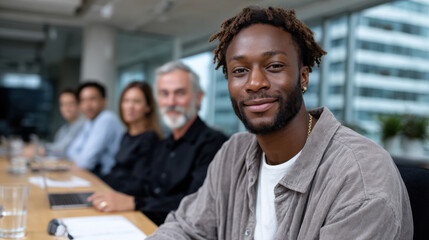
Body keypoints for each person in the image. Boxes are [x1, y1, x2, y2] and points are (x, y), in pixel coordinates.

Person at [147, 6, 413, 239]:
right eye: (239, 71)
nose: (254, 83)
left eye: (274, 66)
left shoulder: (360, 177)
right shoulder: (234, 153)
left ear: (304, 77)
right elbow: (185, 228)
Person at [88, 61, 228, 226]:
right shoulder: (164, 144)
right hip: (143, 222)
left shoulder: (214, 143)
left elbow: (197, 204)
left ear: (198, 98)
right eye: (164, 94)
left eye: (180, 93)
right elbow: (147, 188)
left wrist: (135, 203)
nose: (171, 102)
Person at [101, 81, 163, 194]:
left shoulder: (149, 139)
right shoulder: (126, 135)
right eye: (126, 101)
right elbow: (116, 171)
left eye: (137, 102)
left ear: (148, 107)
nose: (130, 107)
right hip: (113, 192)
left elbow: (138, 184)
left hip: (126, 199)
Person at [66, 81, 125, 176]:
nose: (87, 105)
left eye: (92, 99)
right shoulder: (90, 122)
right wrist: (80, 158)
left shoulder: (106, 119)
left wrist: (78, 159)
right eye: (83, 100)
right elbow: (70, 151)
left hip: (111, 177)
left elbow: (86, 162)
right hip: (97, 175)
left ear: (104, 101)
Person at [44, 89, 85, 157]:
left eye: (71, 103)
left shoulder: (82, 126)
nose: (67, 108)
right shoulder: (63, 129)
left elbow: (61, 149)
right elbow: (55, 151)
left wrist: (41, 149)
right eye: (63, 104)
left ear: (78, 105)